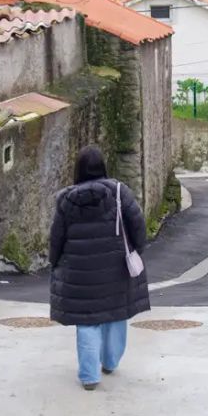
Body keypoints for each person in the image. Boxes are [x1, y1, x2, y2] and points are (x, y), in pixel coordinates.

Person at [49, 146, 150, 390]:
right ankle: (110, 362)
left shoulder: (65, 200)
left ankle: (89, 376)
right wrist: (137, 248)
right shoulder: (119, 192)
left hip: (78, 272)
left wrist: (55, 262)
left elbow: (56, 237)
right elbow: (137, 223)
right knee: (115, 314)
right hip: (115, 267)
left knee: (87, 321)